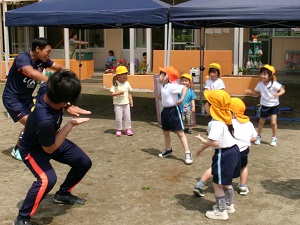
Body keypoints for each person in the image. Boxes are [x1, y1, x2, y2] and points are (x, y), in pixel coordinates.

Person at [13, 70, 92, 225]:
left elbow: (46, 81)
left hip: (49, 138)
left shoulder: (47, 89)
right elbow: (50, 148)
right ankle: (22, 218)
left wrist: (68, 105)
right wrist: (71, 124)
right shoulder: (44, 120)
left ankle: (63, 194)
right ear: (63, 98)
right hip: (33, 149)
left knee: (83, 162)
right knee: (46, 179)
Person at [2, 37, 66, 161]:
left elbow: (58, 67)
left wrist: (69, 73)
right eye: (47, 51)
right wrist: (51, 81)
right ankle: (18, 150)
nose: (48, 55)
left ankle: (29, 147)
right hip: (13, 99)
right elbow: (31, 73)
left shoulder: (43, 60)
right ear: (37, 49)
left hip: (27, 99)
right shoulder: (23, 58)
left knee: (39, 121)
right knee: (33, 123)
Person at [193, 97, 257, 198]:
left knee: (215, 168)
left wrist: (202, 147)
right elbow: (254, 138)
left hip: (228, 151)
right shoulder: (248, 123)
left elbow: (216, 140)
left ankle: (200, 184)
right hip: (243, 151)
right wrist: (246, 140)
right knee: (243, 167)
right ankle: (243, 187)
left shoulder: (226, 123)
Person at [194, 90, 240, 220]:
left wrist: (203, 142)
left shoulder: (214, 123)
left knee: (217, 184)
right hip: (233, 151)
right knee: (227, 182)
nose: (204, 106)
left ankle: (221, 211)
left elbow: (215, 142)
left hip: (223, 154)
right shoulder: (226, 119)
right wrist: (202, 148)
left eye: (206, 103)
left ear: (213, 107)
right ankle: (229, 205)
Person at [157, 66, 193, 165]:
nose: (159, 76)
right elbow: (163, 92)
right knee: (166, 131)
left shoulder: (172, 85)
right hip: (165, 111)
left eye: (161, 74)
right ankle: (168, 149)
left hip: (173, 111)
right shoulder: (163, 85)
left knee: (180, 133)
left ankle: (187, 153)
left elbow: (184, 87)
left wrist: (181, 100)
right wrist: (160, 95)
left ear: (166, 77)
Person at [245, 64, 285, 147]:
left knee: (273, 123)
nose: (263, 76)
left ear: (270, 76)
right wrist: (250, 93)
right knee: (261, 122)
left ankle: (274, 138)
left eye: (265, 74)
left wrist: (277, 95)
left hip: (274, 106)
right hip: (264, 106)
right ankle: (258, 137)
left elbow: (282, 90)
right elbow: (257, 93)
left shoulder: (274, 84)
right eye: (261, 74)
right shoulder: (260, 84)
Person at [110, 66, 134, 137]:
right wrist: (118, 93)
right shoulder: (115, 84)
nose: (125, 76)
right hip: (118, 104)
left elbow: (129, 93)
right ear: (118, 76)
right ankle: (118, 130)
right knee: (118, 118)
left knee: (127, 117)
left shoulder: (127, 83)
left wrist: (131, 100)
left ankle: (128, 129)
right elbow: (111, 93)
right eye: (122, 74)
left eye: (126, 74)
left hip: (126, 104)